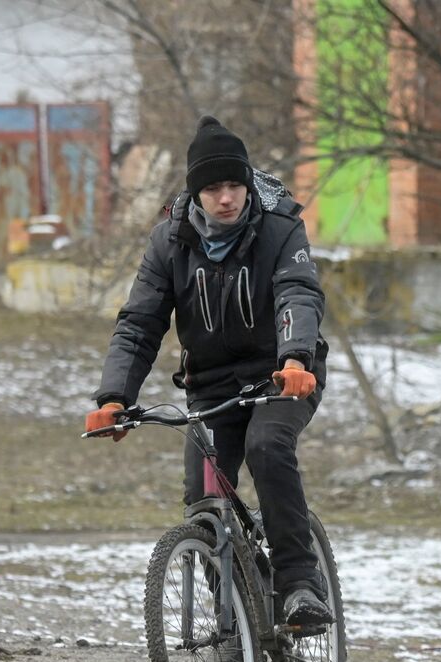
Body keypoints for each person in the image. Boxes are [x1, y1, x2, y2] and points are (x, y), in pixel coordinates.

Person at [85, 116, 332, 629]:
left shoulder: (280, 228)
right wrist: (113, 397)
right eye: (213, 188)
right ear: (195, 193)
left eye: (234, 185)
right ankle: (233, 625)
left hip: (281, 378)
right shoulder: (169, 243)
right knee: (205, 501)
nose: (226, 198)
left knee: (267, 448)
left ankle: (301, 586)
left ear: (247, 184)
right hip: (212, 388)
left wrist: (295, 358)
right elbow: (139, 325)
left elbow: (298, 294)